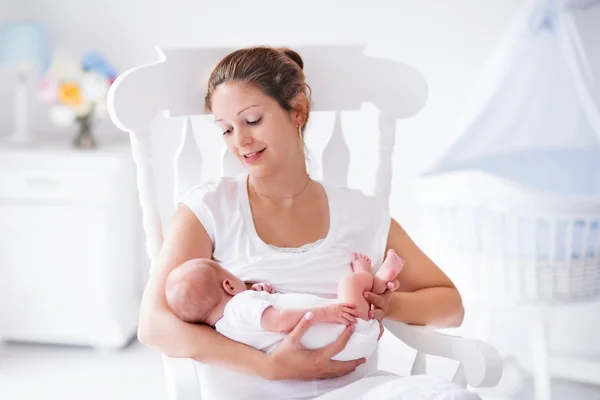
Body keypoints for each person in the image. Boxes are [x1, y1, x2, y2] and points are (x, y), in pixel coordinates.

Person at [136, 46, 479, 399]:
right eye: (225, 129)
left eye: (252, 120)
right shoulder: (209, 208)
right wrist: (269, 366)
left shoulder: (361, 214)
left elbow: (450, 306)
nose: (239, 141)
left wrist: (388, 306)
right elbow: (154, 326)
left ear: (297, 110)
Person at [164, 251, 405, 361]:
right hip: (348, 327)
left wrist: (260, 295)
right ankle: (378, 280)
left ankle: (374, 284)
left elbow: (262, 325)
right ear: (229, 285)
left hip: (344, 350)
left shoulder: (226, 327)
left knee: (350, 293)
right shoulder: (240, 305)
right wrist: (326, 312)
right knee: (349, 282)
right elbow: (278, 322)